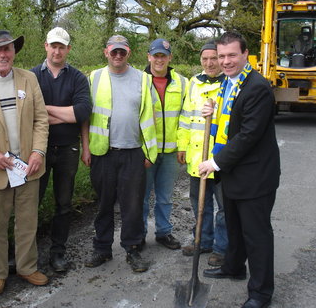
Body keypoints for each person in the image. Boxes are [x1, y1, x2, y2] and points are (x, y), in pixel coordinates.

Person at [199, 32, 280, 308]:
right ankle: (233, 267)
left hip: (255, 176)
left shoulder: (257, 87)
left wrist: (215, 163)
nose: (225, 61)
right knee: (233, 227)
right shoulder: (228, 84)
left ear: (246, 54)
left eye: (232, 55)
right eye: (221, 56)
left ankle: (260, 293)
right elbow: (229, 124)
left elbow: (248, 135)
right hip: (233, 173)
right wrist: (212, 114)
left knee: (256, 236)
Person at [0, 30, 49, 295]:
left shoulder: (29, 79)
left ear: (15, 51)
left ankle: (27, 267)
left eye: (7, 49)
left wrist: (38, 151)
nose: (2, 54)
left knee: (28, 221)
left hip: (28, 166)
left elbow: (41, 119)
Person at [81, 35, 157, 273]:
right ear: (106, 52)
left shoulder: (144, 79)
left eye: (122, 52)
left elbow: (150, 117)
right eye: (114, 52)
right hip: (102, 153)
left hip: (133, 153)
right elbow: (85, 117)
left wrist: (149, 152)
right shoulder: (94, 78)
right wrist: (86, 148)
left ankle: (132, 250)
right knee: (103, 205)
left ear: (129, 53)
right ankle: (102, 249)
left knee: (132, 206)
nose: (117, 56)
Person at [31, 27, 91, 272]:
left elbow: (82, 112)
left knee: (64, 203)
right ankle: (26, 254)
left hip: (68, 149)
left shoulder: (77, 78)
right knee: (30, 203)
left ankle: (58, 253)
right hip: (38, 149)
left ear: (68, 49)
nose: (57, 50)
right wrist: (66, 114)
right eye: (53, 46)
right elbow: (28, 114)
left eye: (62, 46)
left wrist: (44, 110)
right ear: (46, 46)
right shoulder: (32, 76)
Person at [177, 40, 228, 267]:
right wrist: (182, 145)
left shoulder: (230, 83)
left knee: (224, 207)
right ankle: (203, 241)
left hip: (220, 159)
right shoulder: (194, 83)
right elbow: (186, 117)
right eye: (205, 59)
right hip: (197, 156)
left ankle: (221, 248)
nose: (210, 63)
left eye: (214, 58)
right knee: (200, 202)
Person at [142, 38, 186, 250]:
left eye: (163, 56)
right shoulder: (138, 81)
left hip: (170, 152)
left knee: (165, 197)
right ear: (149, 56)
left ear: (170, 58)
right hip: (146, 152)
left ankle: (164, 232)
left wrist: (182, 146)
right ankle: (139, 234)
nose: (159, 60)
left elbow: (185, 117)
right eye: (156, 55)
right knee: (141, 198)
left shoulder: (182, 82)